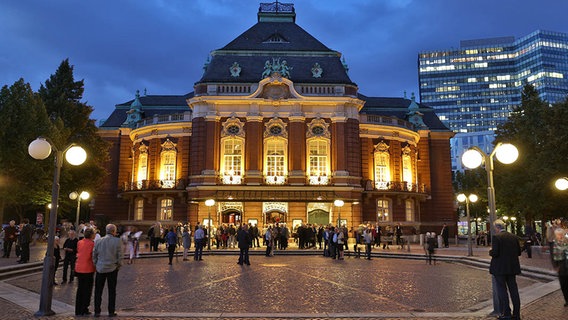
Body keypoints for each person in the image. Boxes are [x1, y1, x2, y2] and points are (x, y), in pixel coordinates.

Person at [489, 219, 521, 320]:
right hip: (512, 268)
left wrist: (490, 252)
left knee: (502, 291)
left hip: (500, 269)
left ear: (497, 227)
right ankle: (516, 314)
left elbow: (495, 253)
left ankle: (506, 313)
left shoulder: (496, 237)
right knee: (514, 291)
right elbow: (519, 252)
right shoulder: (514, 237)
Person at [93, 224, 122, 318]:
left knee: (98, 291)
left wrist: (96, 264)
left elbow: (94, 255)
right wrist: (118, 265)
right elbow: (120, 256)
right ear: (114, 231)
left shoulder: (98, 241)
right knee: (112, 291)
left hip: (100, 268)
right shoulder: (117, 241)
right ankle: (111, 311)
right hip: (112, 268)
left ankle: (97, 311)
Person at [75, 228, 96, 316]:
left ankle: (78, 309)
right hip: (88, 269)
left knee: (80, 289)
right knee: (87, 290)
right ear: (91, 235)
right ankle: (84, 308)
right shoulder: (92, 244)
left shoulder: (79, 242)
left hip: (79, 268)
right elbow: (93, 257)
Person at [550, 227, 568, 307]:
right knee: (563, 285)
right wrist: (555, 266)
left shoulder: (567, 241)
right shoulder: (554, 244)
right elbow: (552, 256)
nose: (560, 236)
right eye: (558, 235)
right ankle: (567, 300)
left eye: (561, 235)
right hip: (561, 267)